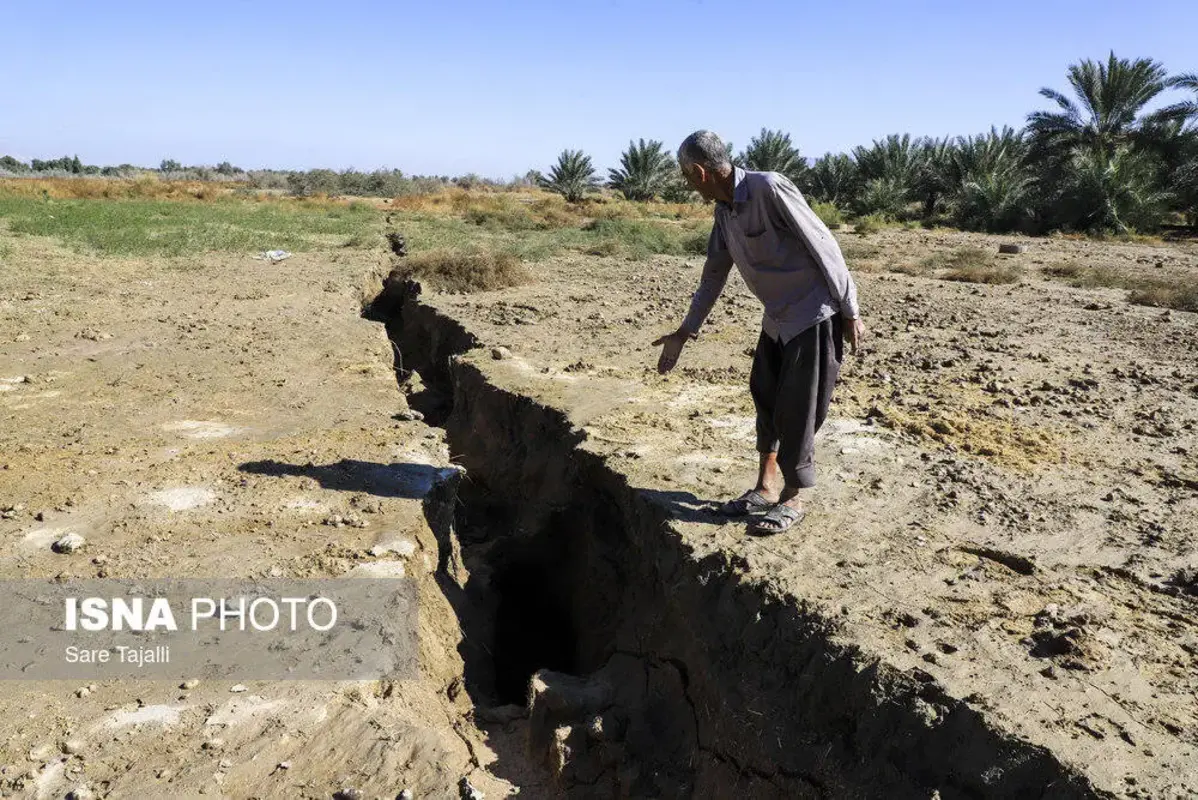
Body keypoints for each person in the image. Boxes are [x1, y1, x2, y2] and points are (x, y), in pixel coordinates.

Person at [653, 130, 865, 535]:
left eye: (685, 174)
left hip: (812, 313)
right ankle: (764, 488)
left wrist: (850, 310)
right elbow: (714, 274)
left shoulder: (768, 187)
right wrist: (685, 332)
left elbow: (824, 245)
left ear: (699, 171)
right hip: (777, 317)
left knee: (799, 408)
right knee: (765, 396)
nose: (685, 182)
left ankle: (793, 496)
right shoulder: (723, 210)